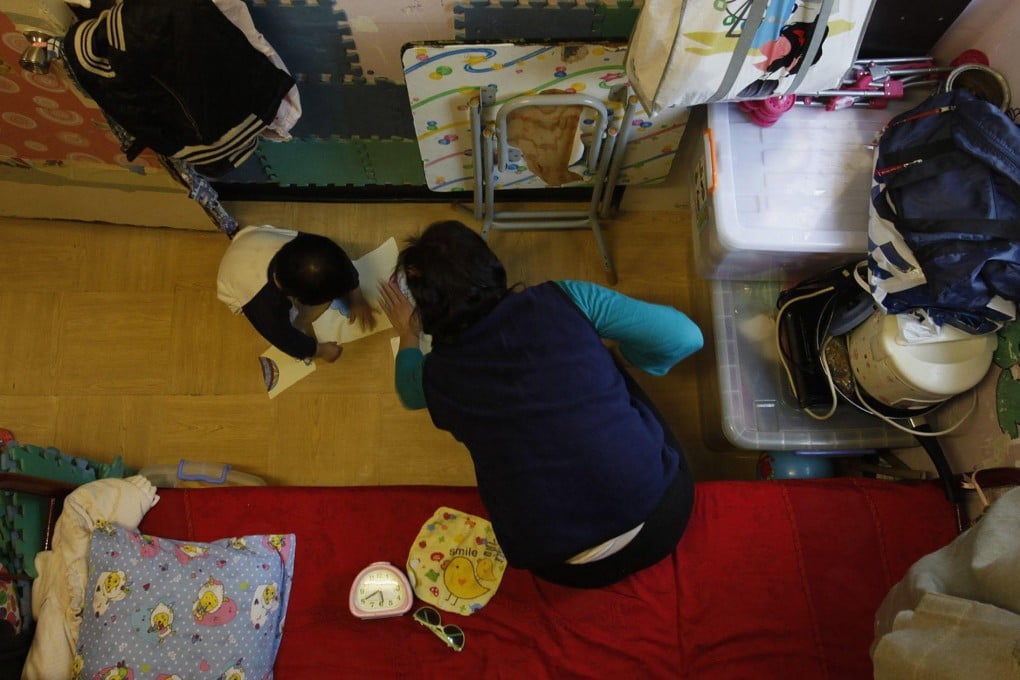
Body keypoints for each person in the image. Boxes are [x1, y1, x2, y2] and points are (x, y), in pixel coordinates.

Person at [377, 220, 704, 588]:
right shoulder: (565, 299)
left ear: (428, 309)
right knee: (607, 369)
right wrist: (623, 356)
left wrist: (407, 332)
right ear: (490, 267)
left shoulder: (435, 376)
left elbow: (407, 391)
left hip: (565, 566)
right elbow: (686, 337)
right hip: (664, 518)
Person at [218, 225, 377, 362]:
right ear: (301, 300)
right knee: (289, 320)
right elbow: (287, 340)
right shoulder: (264, 307)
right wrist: (320, 351)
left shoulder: (307, 247)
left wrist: (357, 299)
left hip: (251, 239)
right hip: (233, 283)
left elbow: (339, 260)